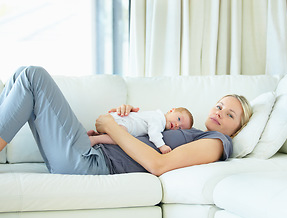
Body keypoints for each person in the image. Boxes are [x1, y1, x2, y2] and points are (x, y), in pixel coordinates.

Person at [0, 66, 252, 176]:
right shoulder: (188, 129)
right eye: (219, 105)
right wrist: (126, 116)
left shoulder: (217, 142)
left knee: (33, 76)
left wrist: (112, 128)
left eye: (230, 114)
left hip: (92, 162)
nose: (219, 112)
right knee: (21, 74)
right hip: (89, 150)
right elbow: (145, 129)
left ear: (237, 130)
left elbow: (159, 164)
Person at [87, 107, 194, 154]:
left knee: (119, 135)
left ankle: (96, 134)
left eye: (180, 127)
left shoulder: (156, 117)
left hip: (118, 121)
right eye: (178, 119)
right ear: (171, 110)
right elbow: (153, 134)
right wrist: (162, 146)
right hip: (121, 122)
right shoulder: (158, 119)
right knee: (120, 138)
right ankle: (95, 139)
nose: (176, 125)